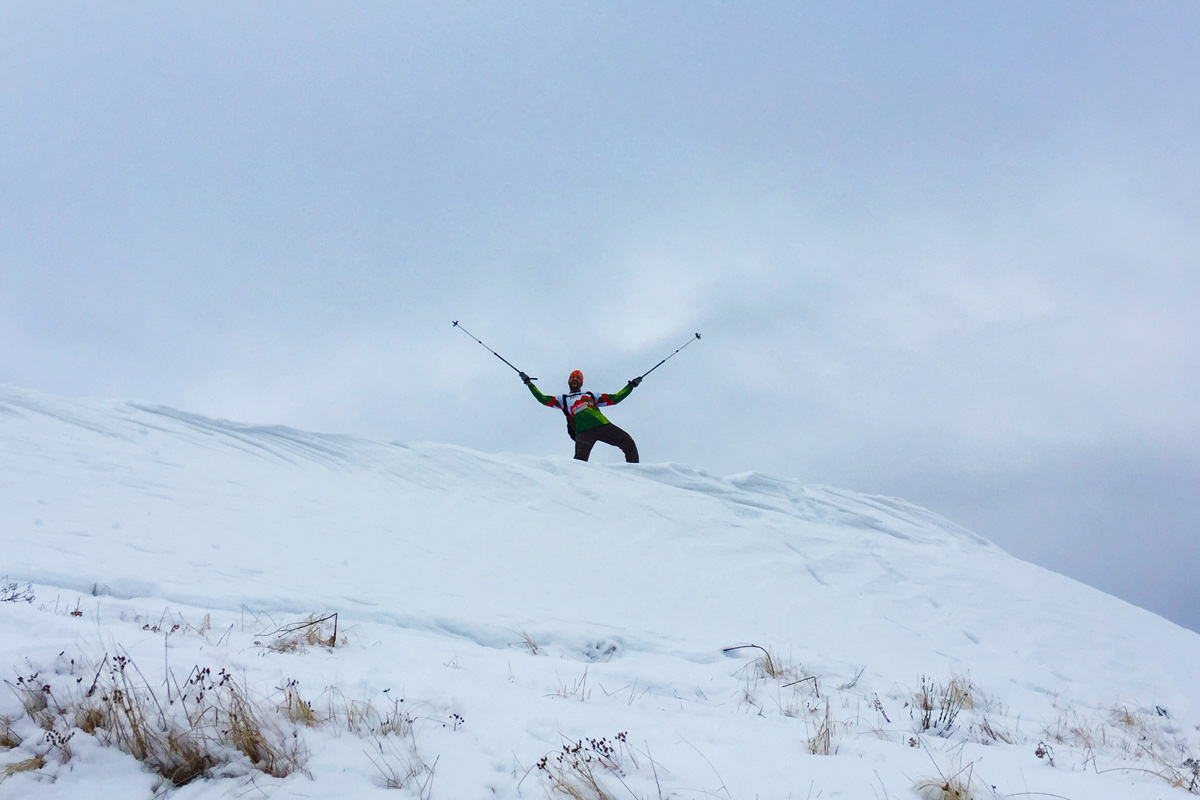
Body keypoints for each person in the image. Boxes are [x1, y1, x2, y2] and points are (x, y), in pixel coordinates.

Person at [519, 369, 641, 463]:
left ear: (581, 382)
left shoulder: (591, 396)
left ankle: (635, 473)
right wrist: (529, 383)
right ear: (568, 381)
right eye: (572, 377)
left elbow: (615, 398)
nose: (574, 379)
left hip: (602, 425)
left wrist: (630, 386)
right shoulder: (563, 399)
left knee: (628, 442)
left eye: (577, 378)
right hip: (583, 432)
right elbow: (543, 399)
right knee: (579, 462)